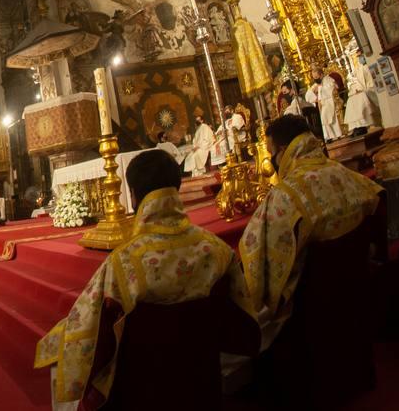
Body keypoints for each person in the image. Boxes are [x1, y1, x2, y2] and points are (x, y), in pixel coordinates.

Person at [34, 150, 254, 408]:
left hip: (141, 393)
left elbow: (89, 329)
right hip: (204, 386)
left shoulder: (123, 263)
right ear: (177, 186)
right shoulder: (218, 251)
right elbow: (243, 323)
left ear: (135, 196)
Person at [238, 116, 383, 344]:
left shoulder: (285, 195)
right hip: (356, 285)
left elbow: (259, 257)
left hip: (314, 303)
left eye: (271, 153)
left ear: (284, 150)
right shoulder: (342, 171)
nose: (273, 160)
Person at [342, 53, 379, 135]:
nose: (359, 58)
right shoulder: (358, 68)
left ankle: (365, 124)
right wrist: (357, 89)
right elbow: (358, 82)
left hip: (370, 89)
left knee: (361, 98)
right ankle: (356, 126)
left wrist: (364, 89)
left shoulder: (370, 65)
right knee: (351, 100)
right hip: (363, 90)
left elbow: (372, 81)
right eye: (358, 57)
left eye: (360, 56)